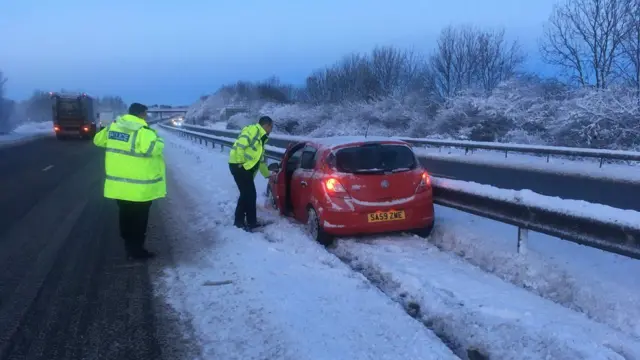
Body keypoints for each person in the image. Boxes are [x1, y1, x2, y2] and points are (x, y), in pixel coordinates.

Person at [93, 103, 166, 260]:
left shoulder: (114, 127)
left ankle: (128, 244)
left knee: (125, 215)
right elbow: (153, 148)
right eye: (145, 114)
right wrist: (159, 139)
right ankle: (137, 250)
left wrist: (107, 128)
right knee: (139, 220)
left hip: (120, 186)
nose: (146, 117)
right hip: (139, 188)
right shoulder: (142, 131)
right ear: (141, 114)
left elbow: (98, 140)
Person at [228, 116, 273, 230]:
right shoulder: (253, 130)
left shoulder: (262, 138)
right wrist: (240, 162)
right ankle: (250, 222)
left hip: (242, 167)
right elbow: (241, 145)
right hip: (239, 165)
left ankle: (241, 221)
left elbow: (260, 160)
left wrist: (267, 174)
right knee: (250, 194)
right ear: (266, 125)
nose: (271, 130)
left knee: (246, 194)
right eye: (271, 127)